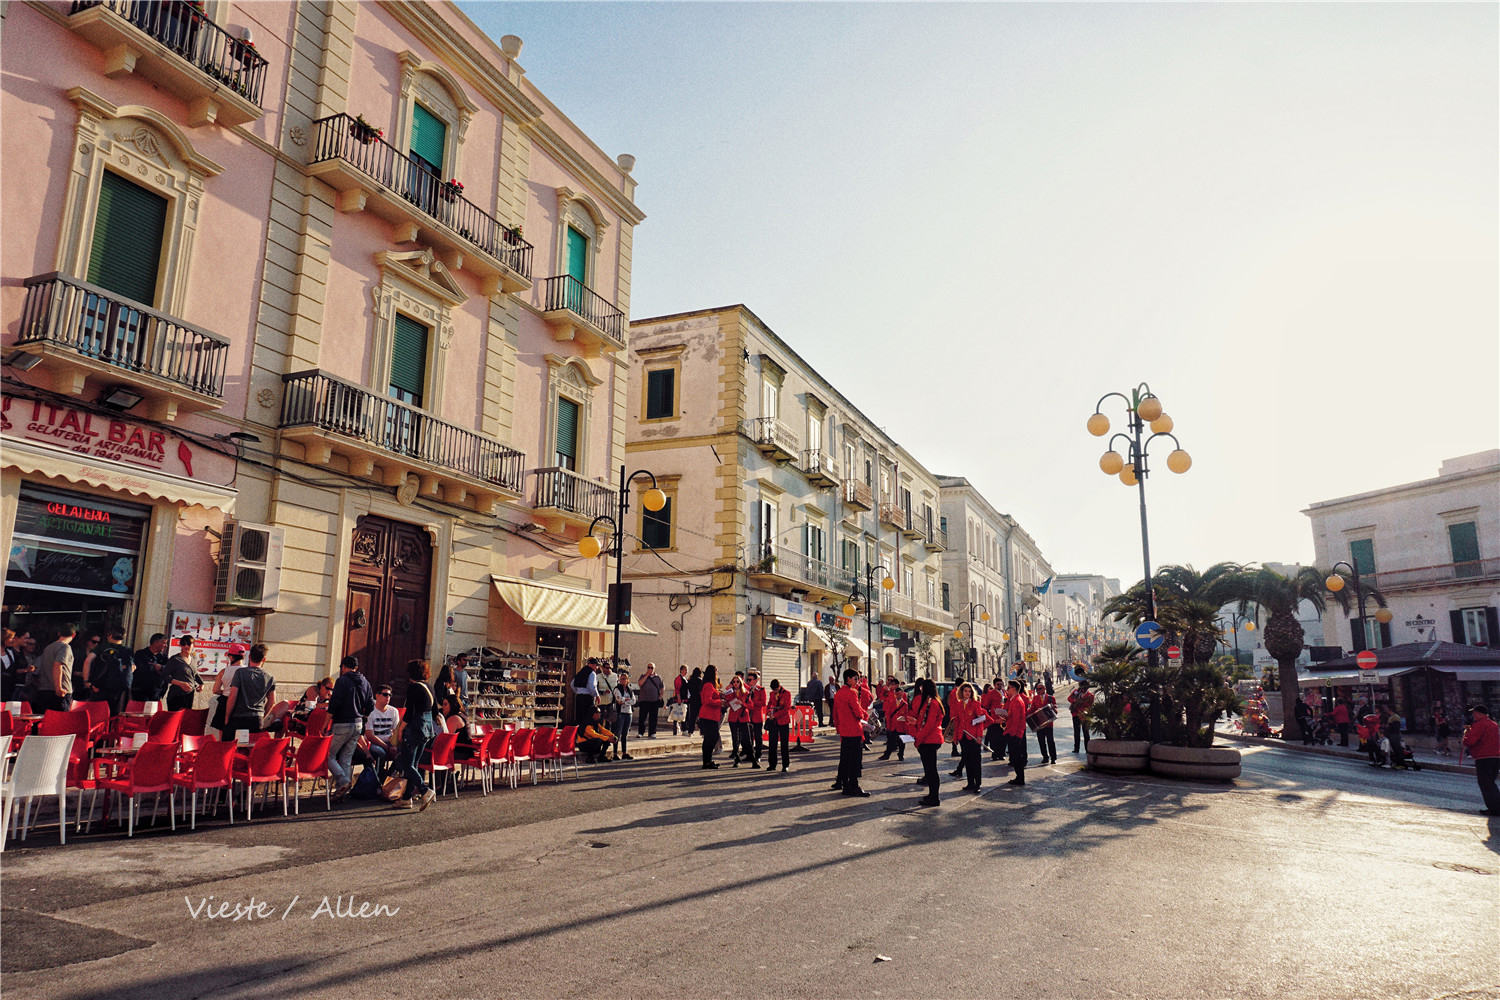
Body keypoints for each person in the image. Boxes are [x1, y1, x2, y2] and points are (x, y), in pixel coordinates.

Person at [391, 659, 439, 812]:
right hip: (427, 729)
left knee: (407, 764)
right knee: (414, 764)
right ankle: (406, 798)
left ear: (411, 673)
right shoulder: (429, 687)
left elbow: (409, 712)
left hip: (415, 727)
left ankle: (425, 790)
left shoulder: (413, 688)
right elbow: (435, 712)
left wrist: (401, 730)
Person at [327, 654, 374, 800]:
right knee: (346, 758)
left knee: (328, 755)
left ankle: (344, 781)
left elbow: (333, 705)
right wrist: (361, 714)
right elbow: (371, 706)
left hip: (341, 723)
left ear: (344, 667)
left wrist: (324, 724)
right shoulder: (365, 682)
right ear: (356, 668)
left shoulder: (342, 681)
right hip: (358, 723)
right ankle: (342, 793)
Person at [222, 643, 276, 743]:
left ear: (249, 657)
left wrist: (226, 718)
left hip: (239, 717)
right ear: (264, 659)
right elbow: (272, 701)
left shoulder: (240, 673)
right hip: (257, 718)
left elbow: (232, 696)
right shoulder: (270, 677)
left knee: (230, 747)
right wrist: (262, 716)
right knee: (251, 750)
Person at [831, 667, 870, 797]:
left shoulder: (838, 694)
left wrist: (839, 727)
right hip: (854, 730)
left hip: (844, 731)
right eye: (855, 678)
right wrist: (865, 716)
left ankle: (845, 785)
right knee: (854, 760)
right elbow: (858, 712)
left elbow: (835, 714)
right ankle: (854, 786)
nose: (857, 681)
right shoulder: (852, 693)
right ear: (848, 679)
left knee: (845, 758)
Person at [1460, 704, 1500, 815]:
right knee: (1490, 782)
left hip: (1483, 757)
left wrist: (1466, 735)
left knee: (1485, 783)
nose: (1473, 715)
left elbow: (1470, 741)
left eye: (1474, 713)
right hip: (1495, 757)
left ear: (1479, 714)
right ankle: (1495, 806)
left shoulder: (1479, 725)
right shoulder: (1493, 724)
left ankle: (1495, 807)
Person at [356, 685, 400, 782]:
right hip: (373, 742)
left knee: (403, 752)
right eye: (385, 694)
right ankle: (376, 782)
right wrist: (387, 747)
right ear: (377, 695)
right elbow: (370, 735)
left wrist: (394, 746)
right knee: (381, 753)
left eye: (390, 695)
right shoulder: (371, 711)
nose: (388, 697)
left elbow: (396, 732)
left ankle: (388, 778)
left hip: (389, 741)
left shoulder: (393, 711)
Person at [84, 625, 132, 716]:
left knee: (96, 715)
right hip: (117, 689)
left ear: (109, 635)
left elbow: (87, 661)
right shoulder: (127, 650)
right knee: (113, 715)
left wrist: (86, 681)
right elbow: (132, 668)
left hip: (99, 687)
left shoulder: (101, 647)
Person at [912, 679, 944, 807]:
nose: (920, 690)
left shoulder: (932, 703)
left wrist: (918, 739)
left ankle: (934, 797)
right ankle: (932, 794)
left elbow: (929, 724)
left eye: (922, 688)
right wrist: (915, 722)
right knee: (929, 769)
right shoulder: (930, 702)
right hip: (929, 739)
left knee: (931, 770)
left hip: (930, 740)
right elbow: (924, 720)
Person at [951, 682, 987, 794]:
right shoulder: (958, 704)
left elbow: (980, 721)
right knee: (967, 760)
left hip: (973, 736)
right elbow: (956, 721)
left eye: (969, 691)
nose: (967, 693)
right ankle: (970, 783)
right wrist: (955, 737)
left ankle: (977, 784)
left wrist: (979, 736)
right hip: (963, 736)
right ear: (961, 692)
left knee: (976, 761)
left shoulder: (975, 704)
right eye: (965, 691)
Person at [33, 622, 77, 712]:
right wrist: (59, 688)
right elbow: (58, 665)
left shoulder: (48, 647)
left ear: (59, 633)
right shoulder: (65, 648)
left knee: (45, 721)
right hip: (60, 691)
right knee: (60, 722)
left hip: (44, 689)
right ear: (73, 635)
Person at [209, 643, 247, 735]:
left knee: (223, 733)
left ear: (231, 656)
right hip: (242, 704)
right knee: (240, 735)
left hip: (225, 702)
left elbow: (215, 690)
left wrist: (225, 691)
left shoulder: (223, 672)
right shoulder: (247, 671)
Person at [164, 635, 203, 712]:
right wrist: (180, 684)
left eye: (188, 644)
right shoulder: (174, 659)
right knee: (175, 719)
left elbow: (194, 673)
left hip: (189, 694)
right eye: (183, 644)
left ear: (193, 645)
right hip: (176, 695)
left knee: (185, 719)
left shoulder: (194, 659)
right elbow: (164, 676)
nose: (186, 646)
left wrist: (201, 684)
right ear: (180, 645)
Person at [130, 633, 170, 704]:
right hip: (141, 692)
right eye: (164, 643)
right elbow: (139, 669)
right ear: (156, 643)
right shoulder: (141, 654)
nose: (166, 646)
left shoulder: (163, 657)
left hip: (157, 693)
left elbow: (169, 671)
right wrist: (156, 669)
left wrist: (160, 667)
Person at [1003, 679, 1029, 786]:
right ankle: (1019, 777)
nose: (1007, 690)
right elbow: (1012, 716)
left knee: (1016, 757)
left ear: (1013, 689)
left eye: (1008, 688)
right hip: (1014, 732)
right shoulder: (1014, 699)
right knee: (1015, 757)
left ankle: (1020, 778)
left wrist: (1013, 734)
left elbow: (1016, 720)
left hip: (1015, 733)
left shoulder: (1017, 701)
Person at [765, 678, 793, 773]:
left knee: (784, 744)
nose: (774, 691)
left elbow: (786, 709)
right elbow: (769, 705)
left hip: (783, 721)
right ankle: (772, 764)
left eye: (776, 689)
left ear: (779, 687)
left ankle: (785, 765)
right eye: (773, 690)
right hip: (773, 722)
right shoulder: (772, 694)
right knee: (772, 743)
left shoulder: (787, 693)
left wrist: (775, 715)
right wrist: (768, 712)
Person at [698, 665, 722, 769]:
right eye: (716, 672)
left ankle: (708, 760)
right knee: (711, 738)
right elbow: (707, 700)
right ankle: (707, 761)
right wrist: (720, 702)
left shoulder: (710, 685)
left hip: (711, 715)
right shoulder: (708, 685)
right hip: (708, 715)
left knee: (711, 738)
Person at [878, 680, 908, 761]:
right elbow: (888, 715)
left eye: (901, 694)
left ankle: (901, 754)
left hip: (901, 726)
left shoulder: (905, 704)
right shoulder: (892, 703)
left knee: (902, 742)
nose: (899, 696)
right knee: (891, 741)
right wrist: (888, 726)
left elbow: (906, 715)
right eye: (897, 694)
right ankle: (887, 755)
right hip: (893, 725)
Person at [725, 674, 751, 766]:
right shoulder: (730, 693)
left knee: (747, 738)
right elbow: (727, 702)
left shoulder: (745, 693)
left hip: (743, 717)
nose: (735, 683)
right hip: (733, 717)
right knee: (735, 739)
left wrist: (742, 703)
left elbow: (751, 706)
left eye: (737, 682)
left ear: (740, 683)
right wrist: (728, 690)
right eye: (734, 682)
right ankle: (736, 759)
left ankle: (752, 757)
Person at [612, 668, 635, 761]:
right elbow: (619, 699)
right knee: (617, 733)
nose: (623, 680)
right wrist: (626, 700)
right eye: (621, 679)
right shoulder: (617, 689)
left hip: (628, 713)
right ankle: (615, 753)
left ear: (627, 680)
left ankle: (624, 752)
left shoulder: (630, 690)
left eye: (625, 679)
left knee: (625, 734)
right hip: (620, 713)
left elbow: (634, 700)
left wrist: (625, 701)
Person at [980, 680, 1007, 760]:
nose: (1000, 686)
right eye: (998, 684)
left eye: (1001, 684)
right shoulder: (991, 693)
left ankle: (1002, 753)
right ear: (994, 685)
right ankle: (995, 754)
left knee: (1003, 737)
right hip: (994, 718)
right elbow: (985, 705)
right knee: (994, 738)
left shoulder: (1004, 692)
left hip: (1003, 718)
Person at [637, 662, 665, 738]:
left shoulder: (658, 677)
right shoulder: (643, 676)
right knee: (642, 717)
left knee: (653, 718)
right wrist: (647, 675)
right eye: (648, 667)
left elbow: (662, 688)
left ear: (654, 669)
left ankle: (652, 732)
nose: (650, 669)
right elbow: (640, 684)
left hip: (654, 700)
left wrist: (660, 697)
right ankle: (641, 732)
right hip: (644, 700)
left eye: (651, 668)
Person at [746, 670, 767, 766]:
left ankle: (758, 755)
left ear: (755, 680)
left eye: (750, 680)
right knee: (749, 737)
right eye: (748, 679)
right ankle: (750, 754)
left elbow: (763, 703)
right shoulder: (746, 690)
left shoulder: (761, 690)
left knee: (758, 737)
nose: (748, 681)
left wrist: (752, 703)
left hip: (757, 716)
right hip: (748, 716)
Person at [1032, 683, 1058, 765]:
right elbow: (1032, 709)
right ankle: (1045, 756)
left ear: (1044, 688)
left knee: (1050, 741)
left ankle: (1053, 757)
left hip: (1049, 723)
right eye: (1037, 689)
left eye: (1040, 688)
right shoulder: (1035, 698)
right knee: (1041, 741)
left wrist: (1054, 708)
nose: (1039, 690)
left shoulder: (1051, 698)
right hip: (1039, 723)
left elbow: (1055, 710)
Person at [572, 659, 599, 727]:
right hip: (587, 698)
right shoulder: (592, 673)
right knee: (588, 718)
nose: (597, 668)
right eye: (597, 666)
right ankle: (587, 734)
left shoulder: (580, 672)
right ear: (593, 665)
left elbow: (572, 684)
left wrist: (577, 692)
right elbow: (592, 686)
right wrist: (596, 695)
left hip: (579, 697)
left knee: (579, 717)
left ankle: (579, 734)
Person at [1069, 683, 1094, 753]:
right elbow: (1069, 698)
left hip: (1084, 715)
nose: (1082, 689)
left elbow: (1090, 705)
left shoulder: (1090, 695)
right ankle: (1076, 748)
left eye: (1083, 688)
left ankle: (1087, 749)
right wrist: (1074, 701)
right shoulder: (1076, 692)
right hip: (1076, 714)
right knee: (1076, 732)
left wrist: (1081, 703)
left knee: (1086, 732)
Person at [687, 666, 705, 737]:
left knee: (692, 717)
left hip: (692, 699)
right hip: (699, 700)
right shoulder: (700, 681)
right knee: (701, 716)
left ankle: (690, 731)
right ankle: (702, 732)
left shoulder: (690, 680)